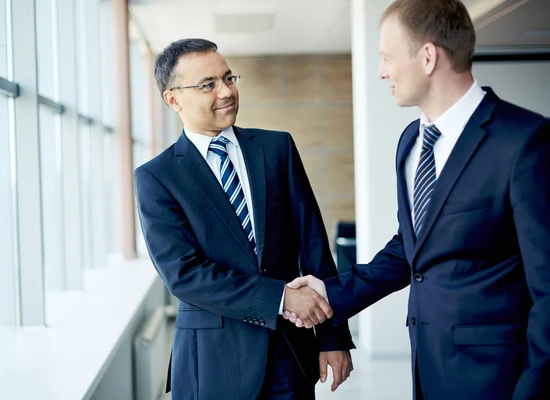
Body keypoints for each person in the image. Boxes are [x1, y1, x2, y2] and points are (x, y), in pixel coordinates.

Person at [284, 0, 550, 399]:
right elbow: (411, 249)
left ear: (428, 57)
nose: (381, 71)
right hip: (428, 372)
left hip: (499, 380)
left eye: (387, 57)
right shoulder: (411, 142)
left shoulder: (525, 143)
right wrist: (329, 293)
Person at [134, 38, 354, 399]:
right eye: (208, 85)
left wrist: (333, 336)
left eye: (229, 78)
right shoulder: (157, 178)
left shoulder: (276, 149)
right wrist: (280, 298)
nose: (226, 91)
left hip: (289, 353)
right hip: (213, 362)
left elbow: (314, 246)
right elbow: (184, 275)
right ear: (173, 99)